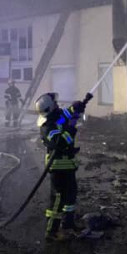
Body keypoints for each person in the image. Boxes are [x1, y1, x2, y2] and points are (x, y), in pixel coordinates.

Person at [35, 91, 91, 241]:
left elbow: (64, 116)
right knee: (58, 200)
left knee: (70, 195)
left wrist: (76, 107)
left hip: (68, 164)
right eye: (54, 103)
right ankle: (51, 231)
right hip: (58, 167)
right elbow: (61, 142)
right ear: (50, 108)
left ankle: (68, 225)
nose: (57, 104)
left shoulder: (56, 118)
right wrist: (71, 128)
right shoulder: (47, 127)